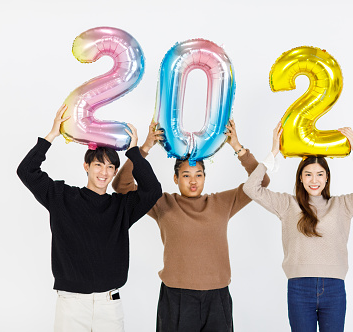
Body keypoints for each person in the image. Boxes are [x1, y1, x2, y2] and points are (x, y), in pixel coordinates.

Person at [112, 119, 269, 332]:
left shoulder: (221, 202)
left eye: (198, 175)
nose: (193, 181)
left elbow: (261, 182)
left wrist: (237, 147)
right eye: (186, 175)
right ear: (175, 178)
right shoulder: (161, 202)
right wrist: (145, 148)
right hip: (176, 298)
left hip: (217, 296)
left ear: (205, 177)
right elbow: (121, 186)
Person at [17, 105, 162, 332]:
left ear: (115, 172)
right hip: (71, 305)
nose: (103, 172)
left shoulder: (121, 207)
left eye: (110, 167)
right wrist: (52, 134)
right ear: (86, 166)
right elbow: (26, 171)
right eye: (98, 165)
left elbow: (152, 191)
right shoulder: (61, 197)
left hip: (109, 305)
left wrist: (134, 151)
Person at [242, 123, 353, 332]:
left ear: (327, 177)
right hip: (299, 288)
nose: (314, 180)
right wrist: (273, 152)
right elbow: (251, 188)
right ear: (300, 178)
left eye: (320, 174)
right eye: (308, 174)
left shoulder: (343, 205)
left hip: (334, 289)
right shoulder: (287, 204)